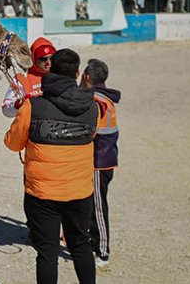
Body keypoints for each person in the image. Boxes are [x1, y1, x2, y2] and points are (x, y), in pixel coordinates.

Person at [4, 49, 101, 284]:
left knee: (47, 251)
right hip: (79, 191)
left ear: (50, 70)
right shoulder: (93, 107)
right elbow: (91, 135)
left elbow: (13, 143)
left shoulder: (33, 106)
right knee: (80, 245)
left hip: (42, 193)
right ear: (77, 73)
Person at [81, 59, 120, 268]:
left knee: (97, 207)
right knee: (88, 205)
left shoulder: (97, 101)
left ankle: (102, 250)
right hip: (102, 159)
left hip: (98, 162)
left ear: (87, 77)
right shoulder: (104, 97)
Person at [2, 37, 56, 117]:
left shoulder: (61, 75)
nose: (48, 62)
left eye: (51, 58)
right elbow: (6, 109)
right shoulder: (21, 79)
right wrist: (18, 104)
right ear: (34, 59)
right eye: (43, 59)